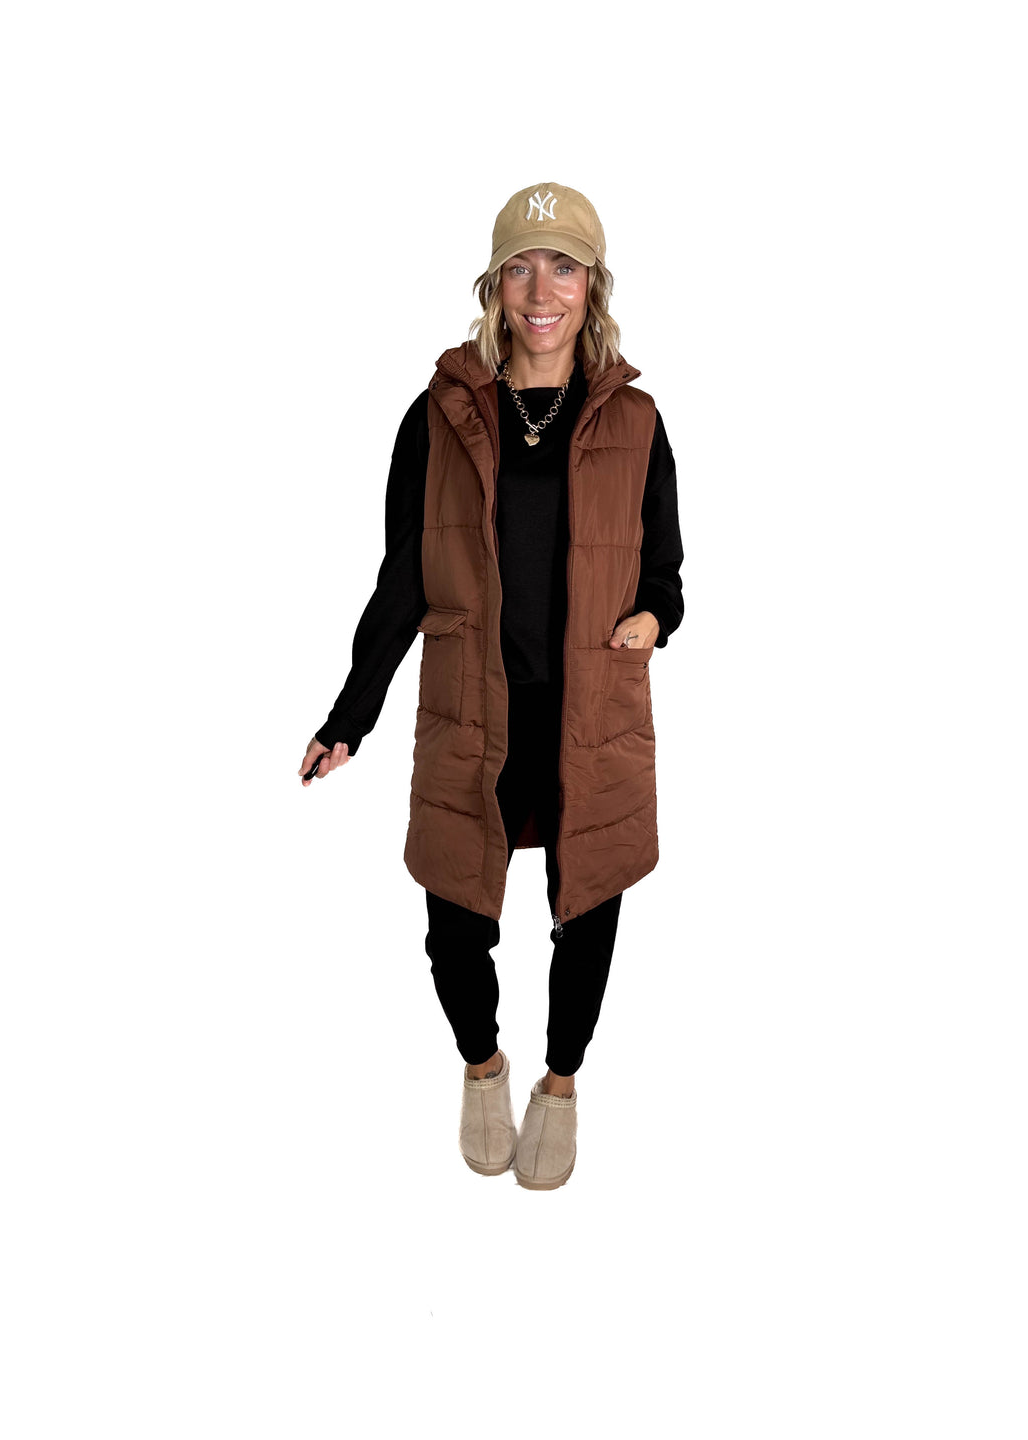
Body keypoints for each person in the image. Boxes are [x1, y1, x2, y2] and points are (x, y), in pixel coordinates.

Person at [298, 182, 684, 1189]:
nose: (541, 290)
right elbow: (403, 576)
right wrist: (350, 716)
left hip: (589, 712)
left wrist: (650, 621)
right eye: (521, 266)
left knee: (586, 908)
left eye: (564, 267)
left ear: (593, 286)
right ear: (494, 284)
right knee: (455, 920)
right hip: (473, 705)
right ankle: (483, 1065)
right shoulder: (437, 417)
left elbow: (666, 575)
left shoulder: (636, 421)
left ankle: (560, 1083)